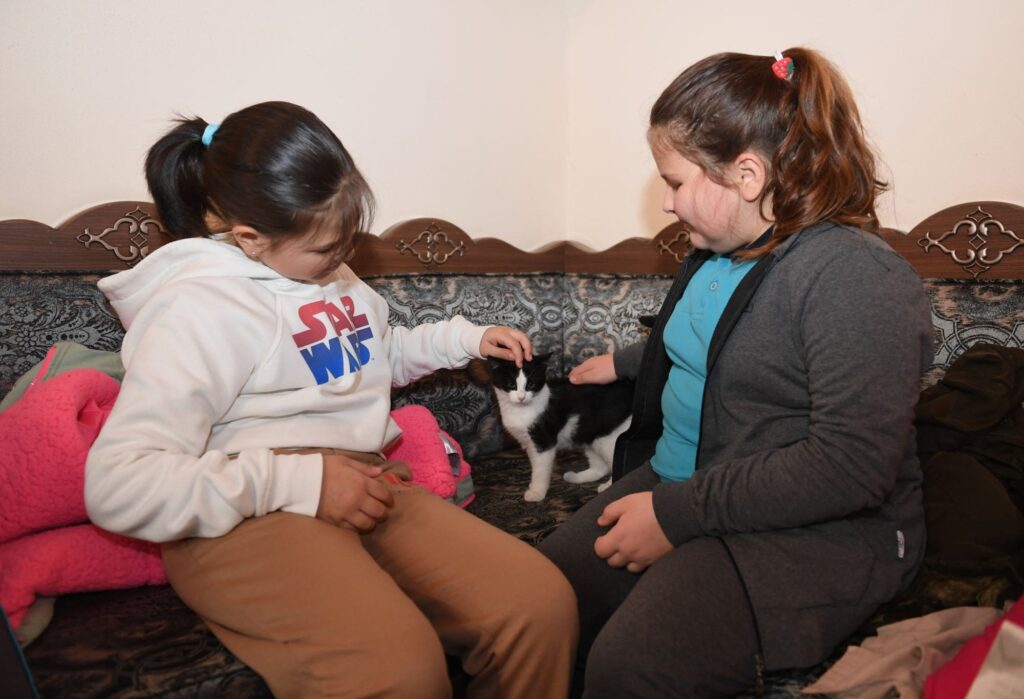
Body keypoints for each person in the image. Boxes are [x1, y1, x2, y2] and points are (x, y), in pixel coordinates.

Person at [84, 101, 577, 699]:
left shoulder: (324, 271)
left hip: (364, 481)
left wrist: (464, 339)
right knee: (396, 668)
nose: (340, 262)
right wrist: (303, 484)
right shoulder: (196, 309)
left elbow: (370, 356)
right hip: (247, 510)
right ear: (249, 239)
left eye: (346, 243)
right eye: (325, 250)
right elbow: (119, 485)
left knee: (538, 604)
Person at [538, 48, 934, 697]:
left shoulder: (855, 275)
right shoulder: (718, 251)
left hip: (811, 530)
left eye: (674, 181)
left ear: (746, 174)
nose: (666, 204)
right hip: (690, 483)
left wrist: (675, 514)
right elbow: (714, 342)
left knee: (630, 665)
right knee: (533, 601)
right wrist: (620, 363)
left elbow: (850, 466)